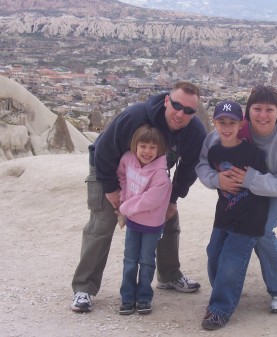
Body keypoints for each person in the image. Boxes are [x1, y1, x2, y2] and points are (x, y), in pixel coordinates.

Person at [71, 81, 207, 313]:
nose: (180, 113)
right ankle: (84, 289)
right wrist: (112, 188)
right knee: (101, 225)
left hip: (151, 178)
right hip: (111, 172)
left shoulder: (194, 131)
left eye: (189, 110)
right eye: (176, 105)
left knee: (168, 222)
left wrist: (172, 198)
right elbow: (104, 150)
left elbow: (188, 167)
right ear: (167, 100)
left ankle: (169, 275)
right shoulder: (135, 117)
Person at [195, 85, 277, 314]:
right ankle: (224, 287)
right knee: (224, 238)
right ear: (247, 112)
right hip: (247, 185)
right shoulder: (235, 127)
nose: (263, 116)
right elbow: (204, 161)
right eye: (257, 109)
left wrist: (251, 179)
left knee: (262, 230)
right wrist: (216, 180)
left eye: (269, 109)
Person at [195, 100, 269, 330]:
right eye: (221, 122)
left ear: (240, 125)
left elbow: (265, 184)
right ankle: (224, 292)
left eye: (232, 123)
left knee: (231, 260)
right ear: (215, 123)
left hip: (249, 217)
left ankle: (220, 309)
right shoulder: (215, 151)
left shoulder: (253, 153)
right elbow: (208, 172)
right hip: (224, 214)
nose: (226, 127)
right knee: (214, 254)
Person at [117, 125, 172, 315]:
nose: (147, 152)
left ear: (159, 150)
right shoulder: (128, 160)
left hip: (151, 224)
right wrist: (124, 197)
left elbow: (151, 200)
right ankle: (127, 297)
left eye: (152, 147)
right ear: (135, 146)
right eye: (143, 146)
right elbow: (122, 176)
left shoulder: (160, 175)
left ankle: (144, 297)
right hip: (133, 221)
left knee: (147, 261)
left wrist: (124, 208)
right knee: (130, 260)